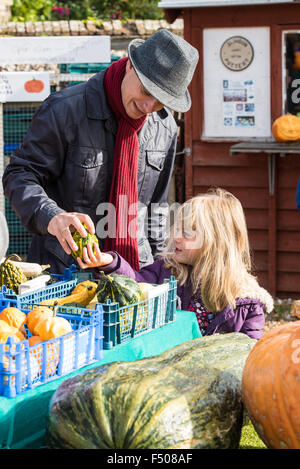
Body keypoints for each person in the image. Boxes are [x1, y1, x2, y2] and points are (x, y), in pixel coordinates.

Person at [2, 29, 199, 274]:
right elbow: (19, 174)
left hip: (135, 273)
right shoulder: (65, 110)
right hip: (65, 270)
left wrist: (161, 271)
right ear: (130, 67)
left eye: (160, 100)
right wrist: (52, 216)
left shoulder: (166, 126)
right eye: (147, 91)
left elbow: (156, 208)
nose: (149, 106)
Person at [78, 188, 274, 339]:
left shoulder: (247, 303)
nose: (176, 237)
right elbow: (135, 285)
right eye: (177, 229)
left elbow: (250, 353)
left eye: (187, 233)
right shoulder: (167, 271)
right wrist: (111, 262)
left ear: (217, 243)